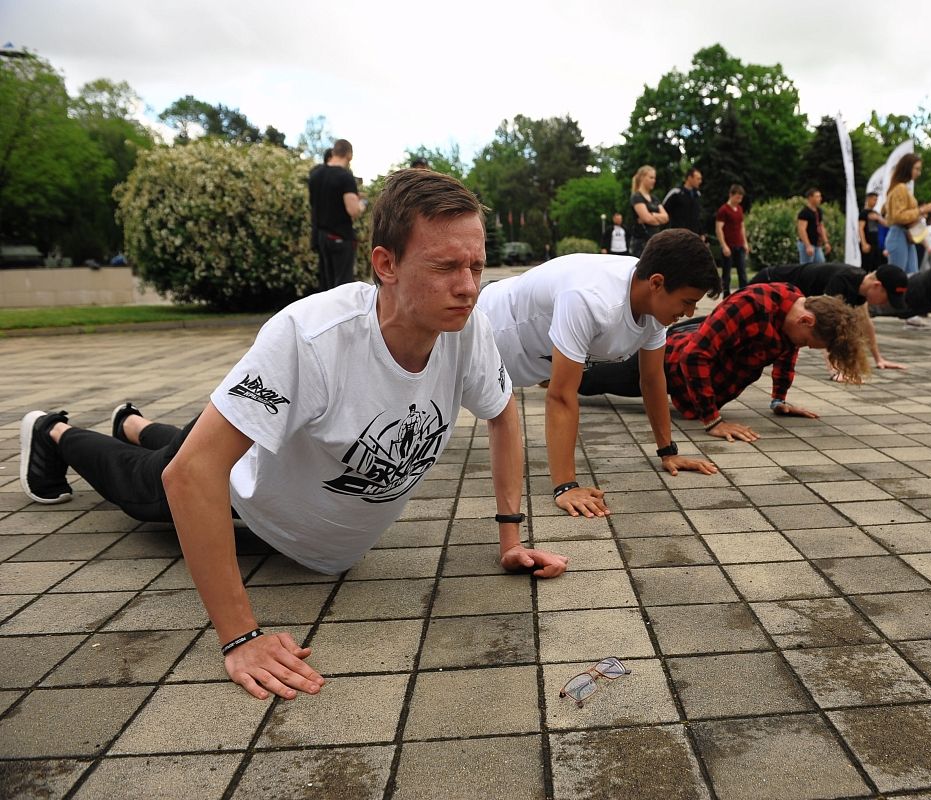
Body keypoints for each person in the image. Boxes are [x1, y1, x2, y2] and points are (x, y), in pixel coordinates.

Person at [18, 169, 569, 701]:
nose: (469, 287)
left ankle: (133, 423)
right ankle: (55, 432)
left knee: (184, 443)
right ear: (386, 264)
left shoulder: (464, 329)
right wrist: (240, 638)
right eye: (446, 266)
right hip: (243, 501)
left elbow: (502, 411)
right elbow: (190, 475)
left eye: (477, 265)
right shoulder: (312, 337)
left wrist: (510, 539)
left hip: (273, 452)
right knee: (140, 480)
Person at [476, 229, 723, 519]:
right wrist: (565, 486)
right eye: (687, 301)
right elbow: (561, 395)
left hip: (520, 362)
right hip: (479, 326)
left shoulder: (653, 307)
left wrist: (668, 451)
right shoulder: (590, 299)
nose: (691, 311)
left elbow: (653, 379)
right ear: (657, 283)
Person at [578, 284, 870, 442]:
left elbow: (787, 350)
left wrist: (779, 399)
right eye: (808, 342)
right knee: (596, 379)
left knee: (598, 374)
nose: (801, 347)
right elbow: (695, 356)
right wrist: (713, 420)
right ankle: (555, 374)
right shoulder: (753, 303)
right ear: (806, 320)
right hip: (672, 363)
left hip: (698, 366)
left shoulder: (793, 321)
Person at [748, 261, 909, 373]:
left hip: (783, 300)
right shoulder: (842, 280)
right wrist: (834, 369)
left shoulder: (860, 288)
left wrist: (879, 359)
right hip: (767, 283)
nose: (885, 304)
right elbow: (822, 323)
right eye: (887, 298)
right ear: (877, 286)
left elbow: (866, 324)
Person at [312, 139, 367, 291]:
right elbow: (353, 211)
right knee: (342, 289)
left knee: (326, 287)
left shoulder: (315, 174)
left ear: (334, 151)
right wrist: (362, 205)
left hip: (321, 237)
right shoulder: (345, 176)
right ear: (349, 154)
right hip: (340, 237)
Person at [882, 153, 931, 277]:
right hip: (899, 234)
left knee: (910, 277)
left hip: (905, 236)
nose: (919, 173)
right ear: (907, 168)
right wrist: (921, 210)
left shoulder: (900, 187)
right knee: (899, 279)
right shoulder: (900, 188)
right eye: (917, 169)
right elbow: (898, 216)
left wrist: (923, 212)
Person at [715, 184, 750, 298]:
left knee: (742, 272)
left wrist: (745, 242)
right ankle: (726, 294)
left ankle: (744, 293)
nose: (739, 199)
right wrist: (724, 245)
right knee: (727, 273)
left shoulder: (740, 209)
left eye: (741, 198)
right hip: (728, 245)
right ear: (731, 195)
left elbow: (742, 227)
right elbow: (719, 228)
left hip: (739, 244)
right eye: (737, 197)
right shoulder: (723, 210)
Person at [629, 165, 669, 257]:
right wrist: (658, 218)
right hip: (641, 245)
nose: (654, 180)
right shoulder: (637, 197)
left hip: (655, 242)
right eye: (651, 177)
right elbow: (647, 219)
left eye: (654, 178)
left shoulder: (654, 198)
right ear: (642, 177)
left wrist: (652, 214)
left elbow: (666, 217)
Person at [307, 148, 333, 272]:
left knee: (324, 273)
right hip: (333, 231)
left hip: (318, 231)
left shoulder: (314, 173)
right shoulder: (333, 175)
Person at [662, 167, 703, 237]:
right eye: (698, 179)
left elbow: (698, 215)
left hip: (693, 235)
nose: (700, 181)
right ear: (690, 178)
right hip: (677, 236)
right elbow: (663, 210)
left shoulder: (697, 194)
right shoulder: (676, 193)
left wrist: (701, 232)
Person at [796, 188, 829, 265]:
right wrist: (807, 245)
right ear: (810, 198)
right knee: (806, 267)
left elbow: (821, 227)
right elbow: (801, 230)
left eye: (820, 196)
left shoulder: (818, 211)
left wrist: (826, 242)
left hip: (817, 244)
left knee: (821, 264)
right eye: (817, 196)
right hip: (807, 244)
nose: (820, 199)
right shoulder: (804, 213)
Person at [858, 192, 883, 270]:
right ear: (868, 199)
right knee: (865, 266)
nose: (875, 202)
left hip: (876, 243)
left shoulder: (876, 213)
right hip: (867, 242)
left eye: (876, 200)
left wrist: (878, 218)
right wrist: (864, 243)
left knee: (875, 266)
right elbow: (860, 228)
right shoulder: (863, 213)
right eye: (874, 199)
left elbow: (885, 223)